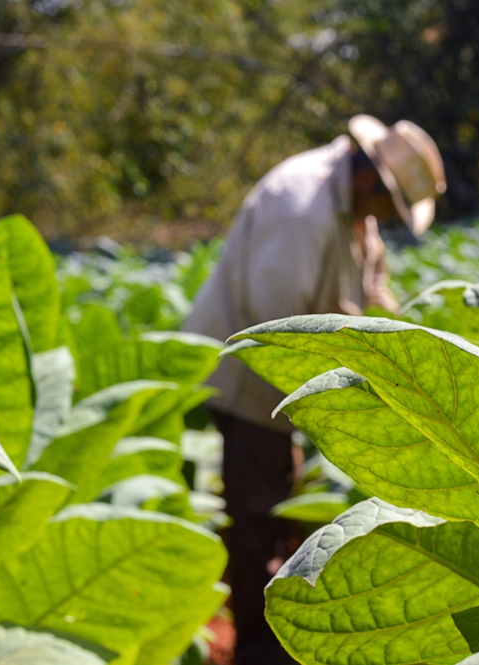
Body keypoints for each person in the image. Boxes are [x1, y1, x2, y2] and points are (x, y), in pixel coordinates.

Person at [182, 115, 445, 665]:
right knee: (257, 513)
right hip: (249, 377)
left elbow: (371, 280)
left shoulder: (350, 204)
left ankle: (279, 630)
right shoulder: (301, 206)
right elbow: (274, 321)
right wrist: (348, 382)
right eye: (391, 209)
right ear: (374, 181)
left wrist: (400, 337)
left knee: (284, 498)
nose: (388, 221)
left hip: (289, 381)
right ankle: (258, 649)